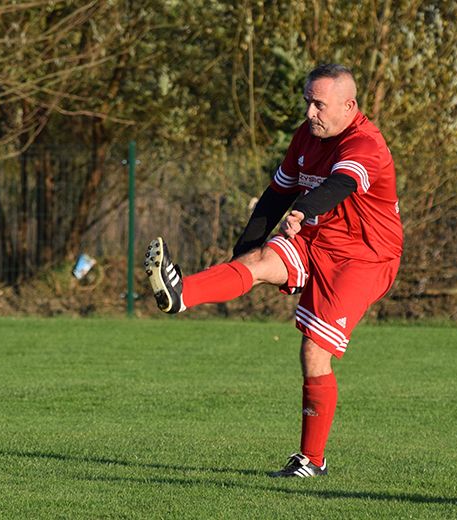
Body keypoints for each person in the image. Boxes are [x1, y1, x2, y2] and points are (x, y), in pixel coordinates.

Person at [145, 63, 403, 478]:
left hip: (364, 257)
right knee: (259, 262)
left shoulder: (365, 143)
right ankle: (180, 295)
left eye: (319, 104)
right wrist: (244, 251)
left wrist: (302, 209)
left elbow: (339, 186)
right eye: (307, 102)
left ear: (348, 106)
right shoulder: (307, 136)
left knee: (314, 351)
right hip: (316, 239)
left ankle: (312, 461)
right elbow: (275, 194)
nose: (310, 113)